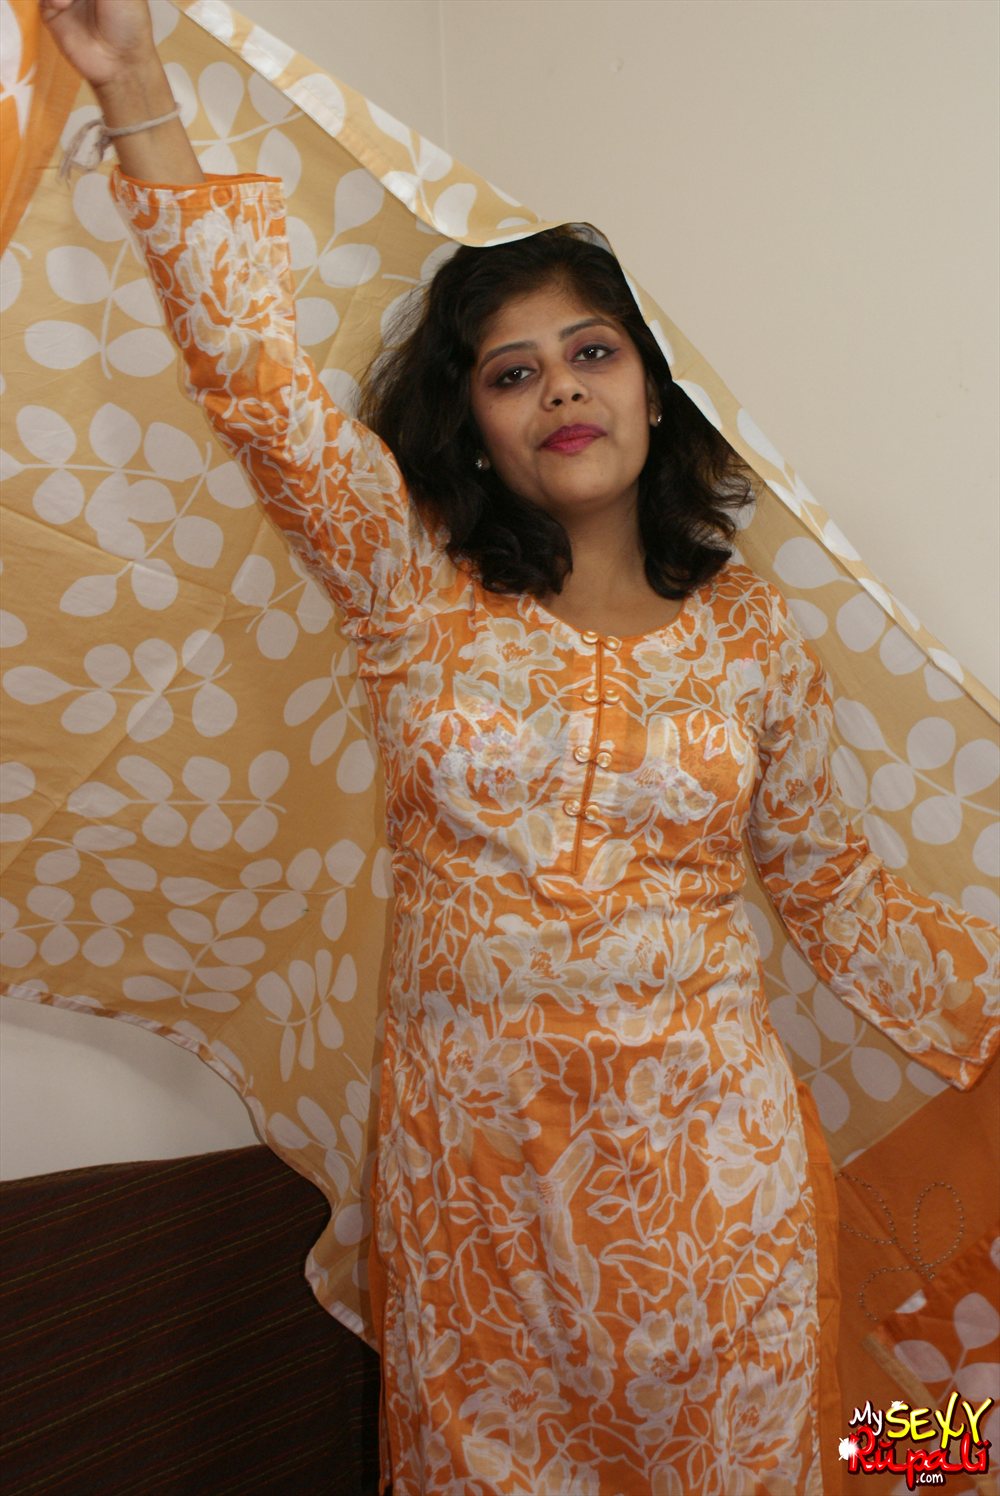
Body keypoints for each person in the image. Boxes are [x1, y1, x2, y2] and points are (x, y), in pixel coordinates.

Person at [40, 3, 1000, 1493]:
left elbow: (834, 893)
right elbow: (261, 393)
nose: (560, 386)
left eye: (592, 351)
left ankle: (930, 1440)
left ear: (650, 387)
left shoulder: (752, 638)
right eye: (511, 371)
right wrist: (138, 88)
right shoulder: (410, 592)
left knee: (784, 1460)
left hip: (716, 1185)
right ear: (475, 426)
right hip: (474, 1190)